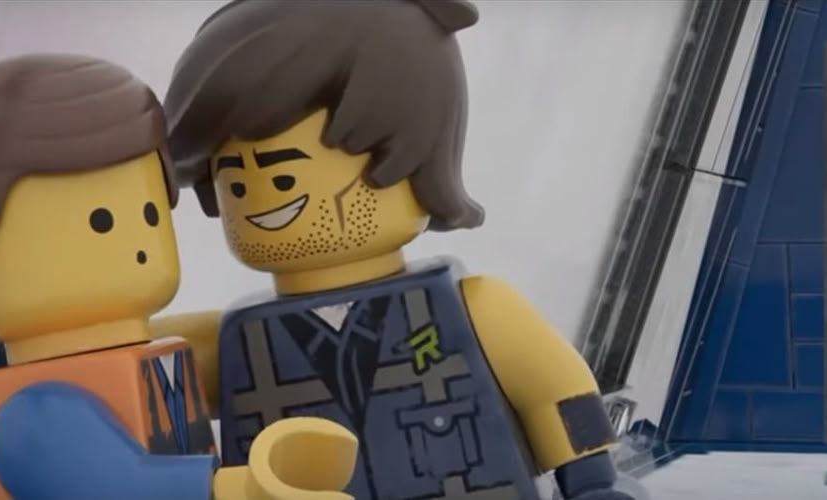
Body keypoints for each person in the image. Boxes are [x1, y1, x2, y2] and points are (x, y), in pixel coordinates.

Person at [158, 1, 632, 499]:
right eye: (234, 183)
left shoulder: (477, 310)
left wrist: (590, 482)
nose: (261, 200)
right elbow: (132, 378)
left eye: (283, 177)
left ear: (409, 151)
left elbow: (558, 391)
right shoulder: (236, 345)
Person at [0, 53, 357, 500]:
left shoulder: (161, 357)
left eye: (150, 213)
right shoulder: (28, 415)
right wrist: (243, 487)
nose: (137, 240)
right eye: (100, 222)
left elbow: (247, 369)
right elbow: (115, 482)